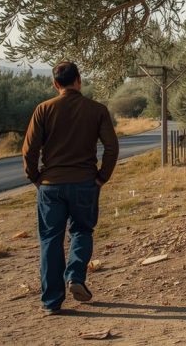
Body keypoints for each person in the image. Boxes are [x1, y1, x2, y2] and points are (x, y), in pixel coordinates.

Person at [22, 61, 119, 314]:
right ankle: (75, 276)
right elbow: (111, 148)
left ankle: (52, 302)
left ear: (55, 84)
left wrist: (35, 178)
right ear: (79, 80)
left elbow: (29, 150)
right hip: (85, 183)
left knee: (50, 240)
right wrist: (102, 177)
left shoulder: (43, 109)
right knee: (82, 231)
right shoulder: (97, 110)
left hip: (50, 186)